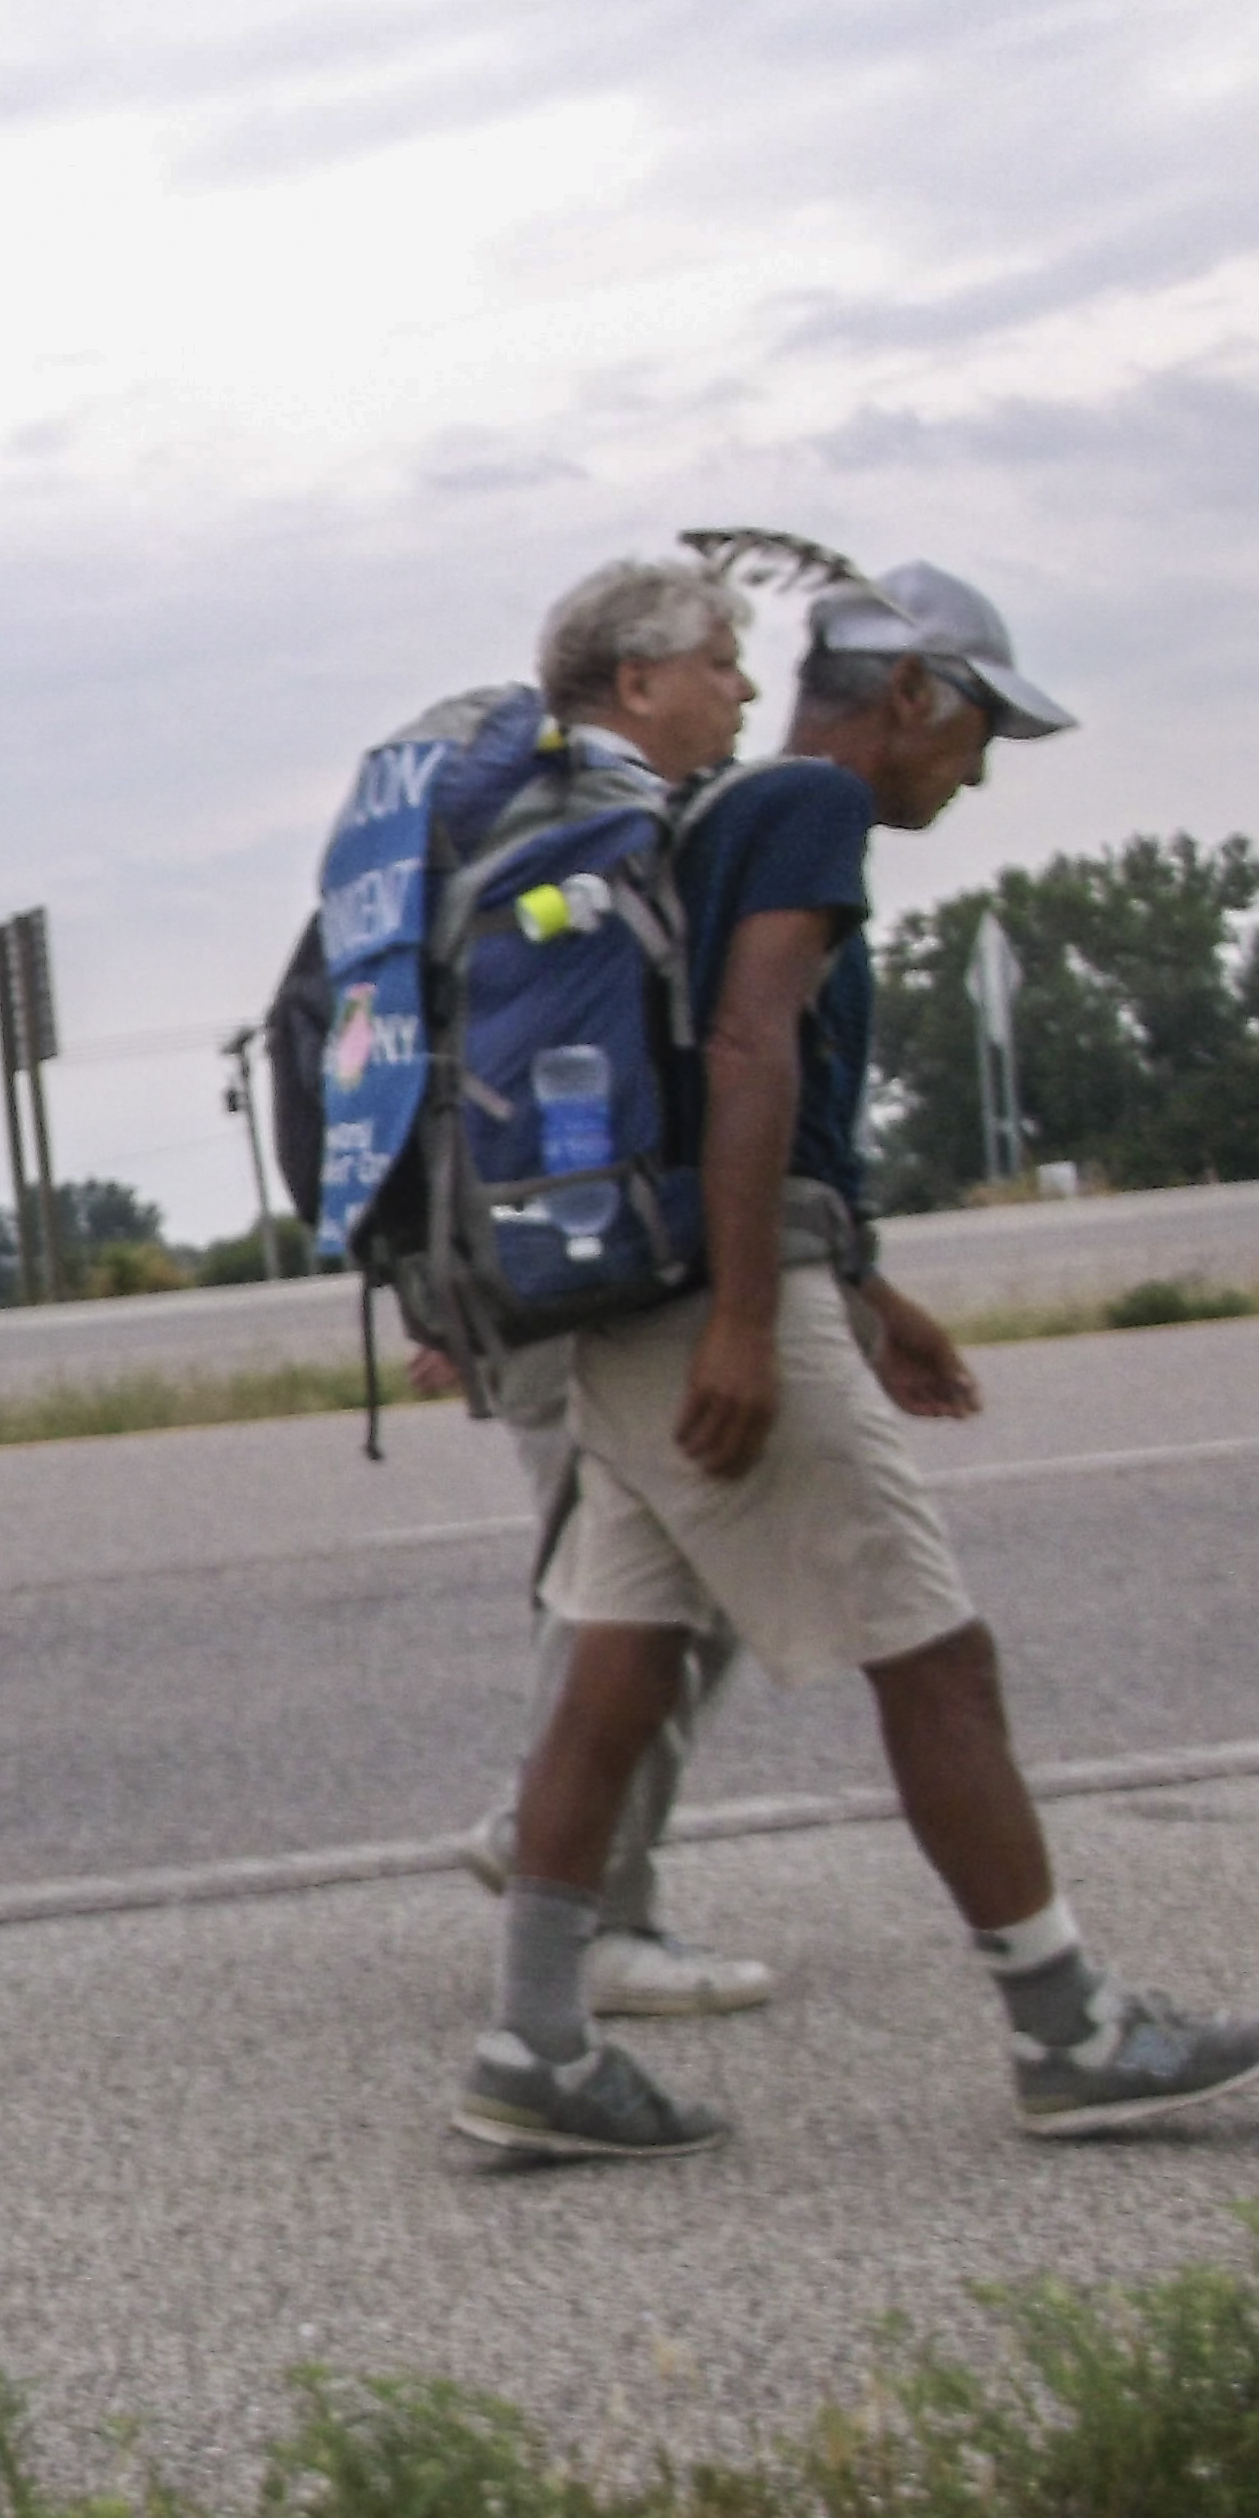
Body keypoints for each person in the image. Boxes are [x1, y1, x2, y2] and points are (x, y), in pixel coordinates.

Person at [451, 559, 1259, 2160]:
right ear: (908, 694)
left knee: (624, 1662)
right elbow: (747, 1047)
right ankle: (1074, 2030)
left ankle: (537, 2046)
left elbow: (769, 1102)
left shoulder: (712, 813)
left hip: (639, 1303)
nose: (977, 767)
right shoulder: (806, 811)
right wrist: (749, 1318)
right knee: (935, 1652)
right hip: (709, 1304)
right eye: (979, 728)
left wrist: (858, 1282)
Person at [443, 557, 777, 2021]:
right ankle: (589, 1905)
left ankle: (554, 1851)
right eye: (722, 659)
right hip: (579, 1279)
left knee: (661, 1586)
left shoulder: (523, 821)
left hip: (537, 1267)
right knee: (627, 1601)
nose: (745, 689)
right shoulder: (606, 827)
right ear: (638, 682)